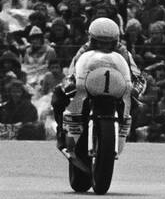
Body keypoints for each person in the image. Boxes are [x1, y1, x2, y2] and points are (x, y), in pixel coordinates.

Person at [53, 17, 146, 151]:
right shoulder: (84, 50)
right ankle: (61, 131)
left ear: (115, 41)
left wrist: (135, 89)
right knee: (58, 94)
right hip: (88, 87)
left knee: (137, 104)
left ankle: (124, 130)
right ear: (92, 40)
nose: (104, 47)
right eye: (99, 43)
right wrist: (70, 84)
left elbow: (137, 75)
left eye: (108, 43)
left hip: (115, 89)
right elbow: (72, 72)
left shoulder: (123, 52)